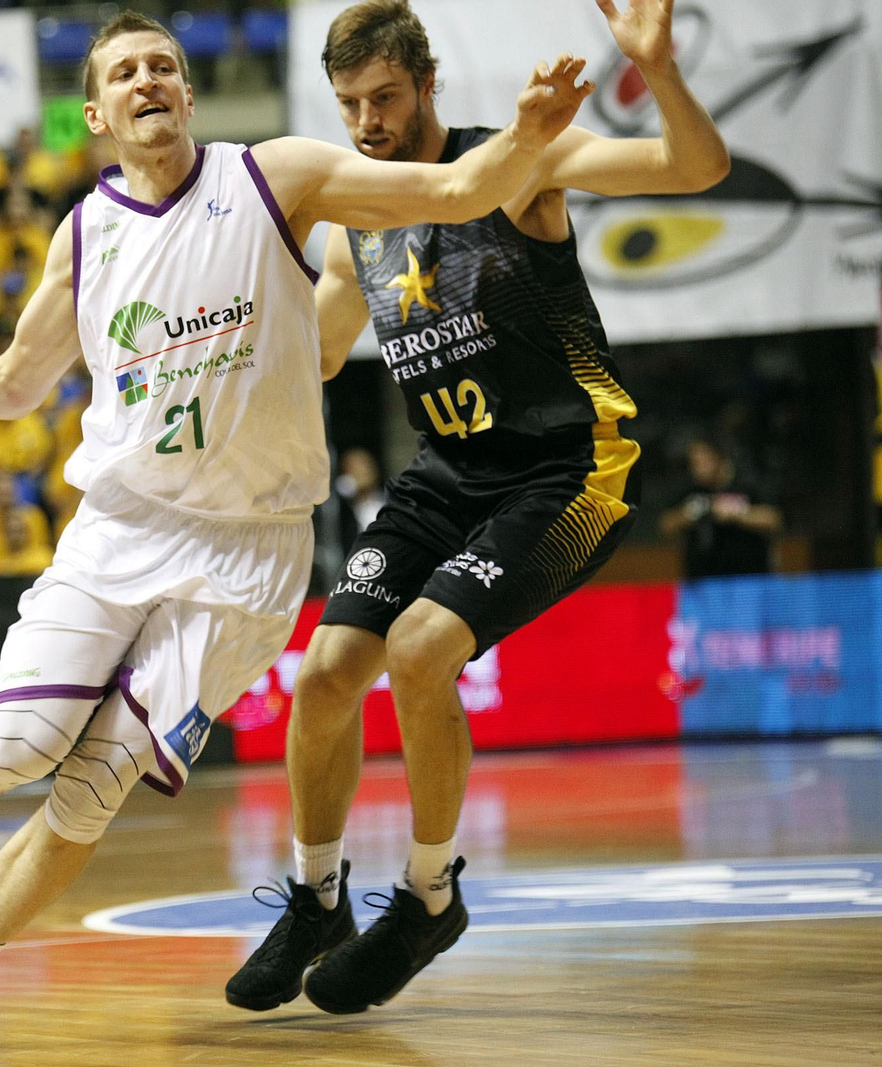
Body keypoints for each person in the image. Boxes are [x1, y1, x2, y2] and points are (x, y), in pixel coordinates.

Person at [0, 12, 592, 1060]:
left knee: (96, 783)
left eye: (163, 63)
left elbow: (450, 193)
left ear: (188, 94)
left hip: (246, 557)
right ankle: (85, 781)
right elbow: (12, 382)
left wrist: (523, 139)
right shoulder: (85, 231)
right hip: (117, 530)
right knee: (3, 760)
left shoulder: (275, 177)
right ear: (97, 111)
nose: (147, 78)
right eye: (124, 70)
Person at [226, 0, 729, 1017]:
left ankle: (429, 893)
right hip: (448, 472)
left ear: (426, 84)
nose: (366, 122)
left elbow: (696, 168)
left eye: (384, 98)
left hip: (569, 465)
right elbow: (316, 353)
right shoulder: (355, 220)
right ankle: (319, 897)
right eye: (349, 105)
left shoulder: (521, 158)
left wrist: (659, 70)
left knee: (418, 649)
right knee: (324, 673)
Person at [659, 435, 781, 577]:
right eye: (694, 463)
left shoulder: (747, 483)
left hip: (748, 579)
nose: (697, 469)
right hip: (704, 583)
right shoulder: (690, 490)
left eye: (703, 461)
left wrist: (735, 513)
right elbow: (665, 526)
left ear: (719, 458)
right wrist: (688, 514)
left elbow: (774, 520)